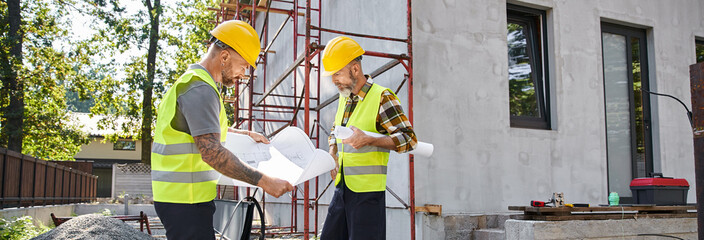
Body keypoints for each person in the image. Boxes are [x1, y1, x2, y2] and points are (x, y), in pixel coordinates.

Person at [150, 20, 293, 240]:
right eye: (244, 65)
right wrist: (265, 181)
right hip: (186, 201)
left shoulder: (194, 84)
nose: (244, 74)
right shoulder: (200, 89)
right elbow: (212, 152)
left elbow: (198, 129)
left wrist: (244, 134)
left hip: (182, 199)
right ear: (225, 57)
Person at [320, 36, 417, 240]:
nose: (333, 80)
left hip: (367, 194)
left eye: (337, 73)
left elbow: (409, 139)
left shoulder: (382, 97)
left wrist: (370, 140)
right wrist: (332, 152)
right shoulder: (344, 97)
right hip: (342, 189)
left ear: (355, 69)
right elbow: (335, 129)